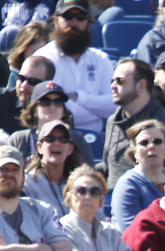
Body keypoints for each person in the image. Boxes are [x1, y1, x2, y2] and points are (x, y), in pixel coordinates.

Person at [0, 145, 76, 251]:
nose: (9, 174)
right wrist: (42, 249)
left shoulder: (42, 209)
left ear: (23, 175)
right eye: (3, 169)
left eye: (15, 170)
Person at [103, 57, 165, 190]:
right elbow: (107, 168)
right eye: (112, 81)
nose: (113, 86)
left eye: (120, 81)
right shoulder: (112, 122)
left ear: (141, 86)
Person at [35, 0, 116, 133]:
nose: (73, 23)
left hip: (95, 136)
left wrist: (78, 97)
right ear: (55, 21)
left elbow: (113, 105)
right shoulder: (43, 58)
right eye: (67, 16)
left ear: (88, 23)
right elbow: (49, 108)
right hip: (53, 136)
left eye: (80, 17)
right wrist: (95, 113)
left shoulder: (100, 59)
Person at [59, 164, 134, 251]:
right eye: (81, 191)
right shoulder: (62, 228)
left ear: (101, 200)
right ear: (69, 197)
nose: (88, 197)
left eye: (95, 192)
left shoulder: (111, 231)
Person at [111, 119, 165, 233]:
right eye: (144, 143)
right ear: (134, 152)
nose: (151, 146)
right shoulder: (127, 185)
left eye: (157, 141)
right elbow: (131, 232)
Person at [8, 80, 94, 167]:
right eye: (45, 101)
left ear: (63, 111)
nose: (52, 106)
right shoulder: (19, 139)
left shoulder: (76, 139)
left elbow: (89, 174)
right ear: (34, 110)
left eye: (58, 102)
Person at [21, 119, 84, 217]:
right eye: (50, 139)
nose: (57, 143)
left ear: (70, 149)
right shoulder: (26, 182)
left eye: (63, 139)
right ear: (40, 147)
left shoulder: (81, 182)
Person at [0, 23, 50, 133]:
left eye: (33, 82)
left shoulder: (55, 106)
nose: (24, 85)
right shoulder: (3, 99)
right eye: (21, 78)